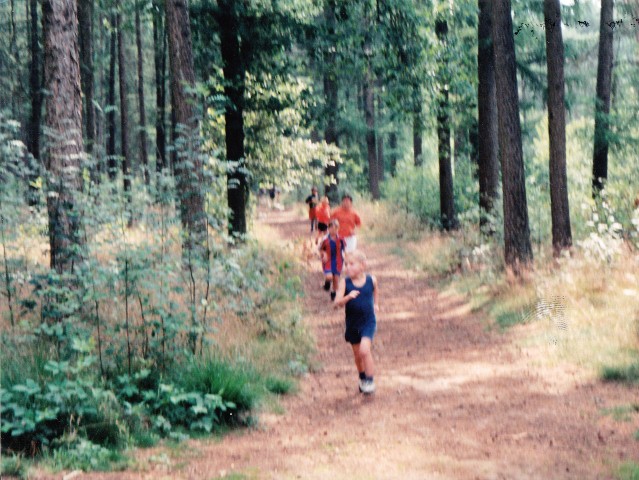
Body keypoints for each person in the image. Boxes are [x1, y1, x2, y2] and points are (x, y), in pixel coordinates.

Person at [334, 250, 378, 394]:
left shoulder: (371, 280)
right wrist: (348, 297)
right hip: (353, 324)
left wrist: (376, 303)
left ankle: (370, 381)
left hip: (368, 322)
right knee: (358, 355)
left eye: (351, 264)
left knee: (365, 350)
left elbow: (375, 290)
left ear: (362, 265)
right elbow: (336, 303)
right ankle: (362, 377)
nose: (347, 267)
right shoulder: (344, 283)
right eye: (346, 264)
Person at [319, 219, 346, 301]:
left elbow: (344, 250)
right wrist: (324, 254)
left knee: (336, 279)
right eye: (331, 228)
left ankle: (334, 294)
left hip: (338, 261)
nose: (333, 230)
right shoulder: (325, 239)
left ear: (338, 229)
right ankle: (327, 284)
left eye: (336, 228)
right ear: (328, 228)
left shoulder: (341, 239)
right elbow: (320, 249)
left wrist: (347, 258)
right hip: (328, 260)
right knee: (329, 276)